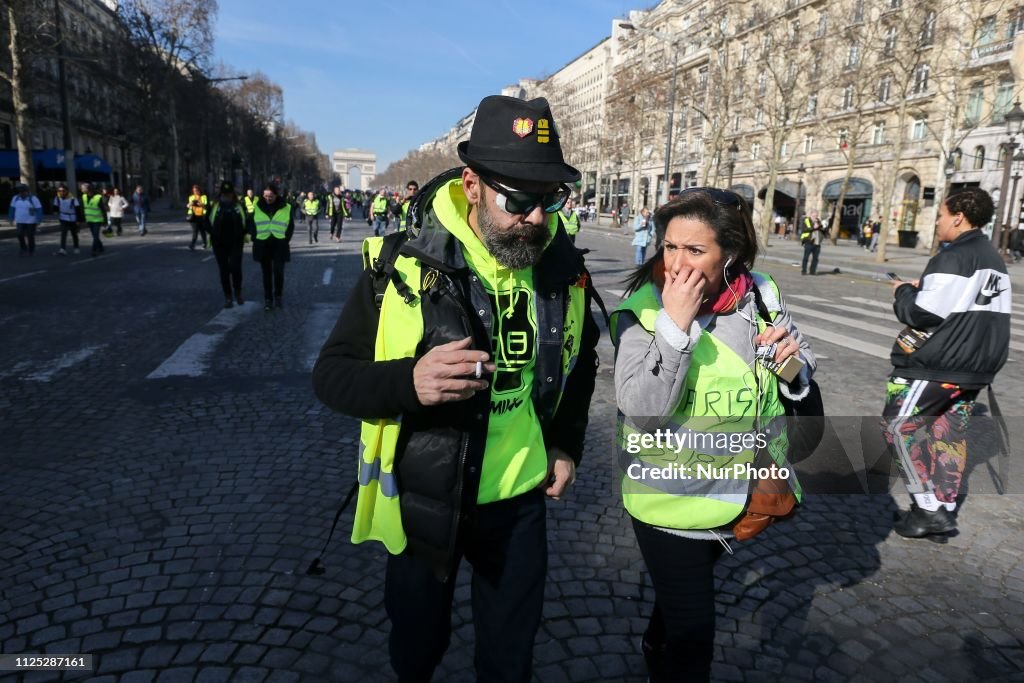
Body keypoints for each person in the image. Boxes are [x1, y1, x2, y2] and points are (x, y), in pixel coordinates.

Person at [312, 95, 600, 683]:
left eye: (551, 200)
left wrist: (567, 442)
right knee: (418, 647)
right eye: (518, 199)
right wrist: (408, 382)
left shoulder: (559, 266)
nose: (537, 218)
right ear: (471, 184)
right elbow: (331, 375)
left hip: (520, 502)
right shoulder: (402, 265)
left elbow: (585, 355)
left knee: (508, 659)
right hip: (426, 498)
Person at [611, 187, 815, 681]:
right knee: (695, 636)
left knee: (682, 599)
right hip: (665, 503)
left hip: (732, 494)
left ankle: (655, 643)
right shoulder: (645, 307)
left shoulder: (760, 296)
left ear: (732, 254)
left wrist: (793, 368)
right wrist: (675, 328)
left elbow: (799, 403)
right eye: (670, 247)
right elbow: (641, 411)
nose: (676, 264)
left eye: (694, 250)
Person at [882, 188, 1011, 538]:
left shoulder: (953, 255)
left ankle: (926, 508)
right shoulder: (992, 257)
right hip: (974, 366)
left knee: (896, 428)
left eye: (940, 215)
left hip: (941, 363)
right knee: (949, 435)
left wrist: (903, 292)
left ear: (957, 216)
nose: (937, 222)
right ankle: (944, 509)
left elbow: (922, 313)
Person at [248, 182, 293, 311]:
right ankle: (268, 299)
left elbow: (290, 226)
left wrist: (285, 240)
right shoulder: (257, 206)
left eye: (271, 196)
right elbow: (251, 223)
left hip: (279, 244)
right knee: (266, 274)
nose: (268, 198)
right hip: (263, 244)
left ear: (276, 195)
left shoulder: (287, 207)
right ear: (262, 195)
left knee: (279, 272)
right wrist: (254, 237)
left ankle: (278, 296)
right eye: (266, 196)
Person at [208, 180, 248, 308]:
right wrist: (212, 233)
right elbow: (206, 221)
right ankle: (228, 296)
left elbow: (246, 220)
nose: (227, 197)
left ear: (233, 194)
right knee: (224, 270)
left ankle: (238, 292)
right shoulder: (214, 206)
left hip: (236, 242)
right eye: (225, 194)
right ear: (221, 194)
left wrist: (244, 232)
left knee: (236, 268)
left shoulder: (239, 205)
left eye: (229, 194)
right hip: (219, 243)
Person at [8, 183, 42, 255]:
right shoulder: (15, 198)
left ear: (27, 191)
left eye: (23, 191)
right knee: (19, 234)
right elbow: (12, 209)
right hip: (20, 220)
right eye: (20, 192)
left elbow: (39, 209)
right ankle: (23, 248)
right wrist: (11, 218)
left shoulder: (33, 198)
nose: (21, 193)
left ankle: (31, 250)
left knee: (30, 235)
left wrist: (39, 219)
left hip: (31, 221)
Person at [80, 182, 107, 257]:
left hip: (97, 220)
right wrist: (81, 220)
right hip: (89, 220)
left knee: (95, 236)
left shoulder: (98, 197)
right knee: (95, 236)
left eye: (83, 188)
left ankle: (94, 250)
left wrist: (105, 221)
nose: (81, 189)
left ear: (88, 189)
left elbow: (103, 210)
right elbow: (82, 209)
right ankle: (101, 247)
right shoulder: (83, 196)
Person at [54, 184, 80, 255]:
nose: (61, 192)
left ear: (67, 191)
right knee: (63, 234)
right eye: (59, 191)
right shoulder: (57, 198)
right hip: (63, 218)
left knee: (74, 234)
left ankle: (76, 247)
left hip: (72, 218)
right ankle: (62, 248)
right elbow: (55, 208)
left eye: (63, 191)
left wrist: (78, 221)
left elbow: (78, 210)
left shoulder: (73, 198)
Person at [799, 210, 824, 275]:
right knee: (806, 257)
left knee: (815, 258)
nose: (815, 217)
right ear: (810, 215)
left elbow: (823, 230)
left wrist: (821, 225)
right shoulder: (806, 220)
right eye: (814, 215)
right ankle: (804, 270)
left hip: (817, 242)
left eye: (816, 216)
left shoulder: (818, 221)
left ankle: (812, 271)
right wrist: (814, 227)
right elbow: (804, 230)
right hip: (808, 241)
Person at [186, 184, 209, 251]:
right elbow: (188, 206)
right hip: (193, 216)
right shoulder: (191, 197)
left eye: (196, 191)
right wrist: (190, 204)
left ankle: (205, 243)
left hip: (202, 216)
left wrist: (201, 204)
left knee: (202, 230)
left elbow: (206, 206)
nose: (195, 192)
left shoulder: (204, 197)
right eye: (194, 191)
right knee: (195, 231)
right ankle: (192, 244)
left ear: (199, 191)